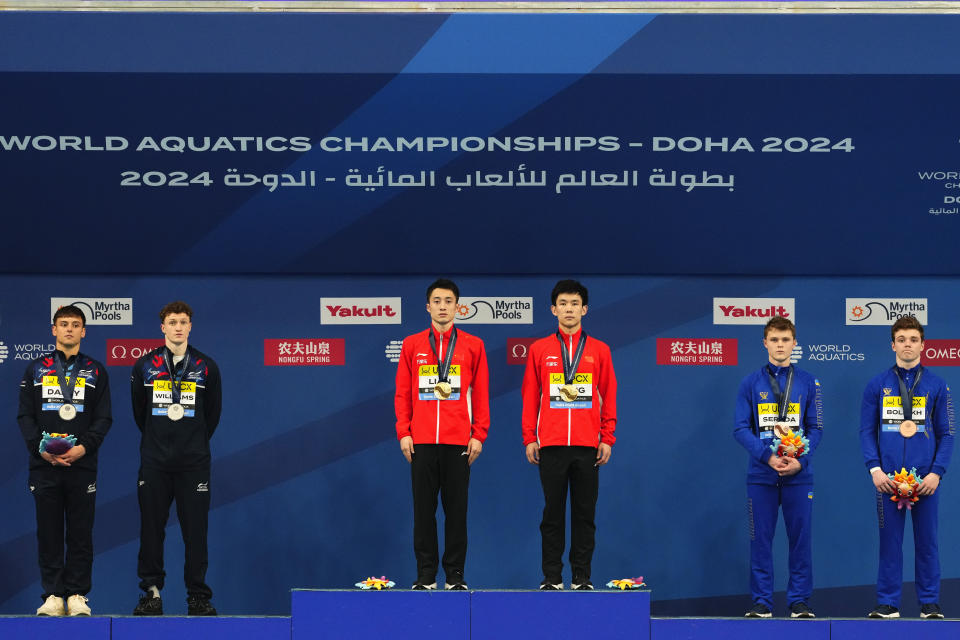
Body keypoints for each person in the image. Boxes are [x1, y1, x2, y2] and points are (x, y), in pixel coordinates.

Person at [394, 278, 489, 590]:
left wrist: (478, 434)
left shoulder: (473, 345)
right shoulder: (412, 344)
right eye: (437, 301)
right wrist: (404, 432)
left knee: (456, 512)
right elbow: (403, 393)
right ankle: (425, 575)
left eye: (449, 301)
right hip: (420, 441)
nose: (443, 306)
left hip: (458, 442)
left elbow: (481, 394)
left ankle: (454, 575)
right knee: (423, 512)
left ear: (457, 307)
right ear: (428, 307)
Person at [521, 279, 617, 590]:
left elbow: (609, 395)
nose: (569, 309)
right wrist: (530, 438)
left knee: (584, 514)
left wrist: (607, 437)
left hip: (588, 445)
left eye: (575, 304)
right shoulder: (539, 349)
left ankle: (581, 577)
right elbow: (530, 396)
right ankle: (552, 577)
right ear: (553, 309)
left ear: (584, 309)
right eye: (563, 304)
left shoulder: (600, 350)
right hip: (550, 443)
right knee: (552, 514)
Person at [18, 305, 112, 616]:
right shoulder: (35, 369)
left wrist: (83, 448)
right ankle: (53, 595)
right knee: (49, 532)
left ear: (84, 331)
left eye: (75, 324)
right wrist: (40, 450)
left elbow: (103, 418)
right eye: (63, 324)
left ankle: (77, 595)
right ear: (54, 330)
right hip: (44, 466)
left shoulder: (96, 370)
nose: (69, 329)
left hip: (81, 465)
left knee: (81, 533)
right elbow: (26, 416)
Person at [131, 301, 222, 616]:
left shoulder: (207, 366)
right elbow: (140, 414)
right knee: (151, 530)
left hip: (193, 464)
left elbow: (211, 415)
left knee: (195, 531)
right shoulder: (145, 365)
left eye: (183, 321)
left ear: (190, 326)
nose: (178, 327)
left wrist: (190, 442)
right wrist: (161, 442)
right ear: (163, 327)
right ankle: (151, 594)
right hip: (155, 462)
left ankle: (198, 596)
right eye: (172, 322)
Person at [860, 316, 954, 619]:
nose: (907, 345)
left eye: (913, 339)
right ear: (892, 345)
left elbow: (947, 433)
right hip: (889, 481)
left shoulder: (938, 386)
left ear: (922, 344)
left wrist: (936, 472)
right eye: (901, 339)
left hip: (925, 480)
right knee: (890, 544)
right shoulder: (877, 385)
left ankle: (929, 603)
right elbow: (866, 431)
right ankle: (888, 603)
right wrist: (874, 469)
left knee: (927, 543)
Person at [734, 316, 823, 618]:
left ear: (794, 343)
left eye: (786, 340)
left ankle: (799, 601)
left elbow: (816, 428)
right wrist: (767, 457)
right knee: (760, 541)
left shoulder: (809, 382)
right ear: (765, 343)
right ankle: (762, 602)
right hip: (761, 476)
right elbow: (740, 428)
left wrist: (801, 461)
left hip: (799, 476)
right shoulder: (750, 382)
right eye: (774, 339)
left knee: (800, 541)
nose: (780, 345)